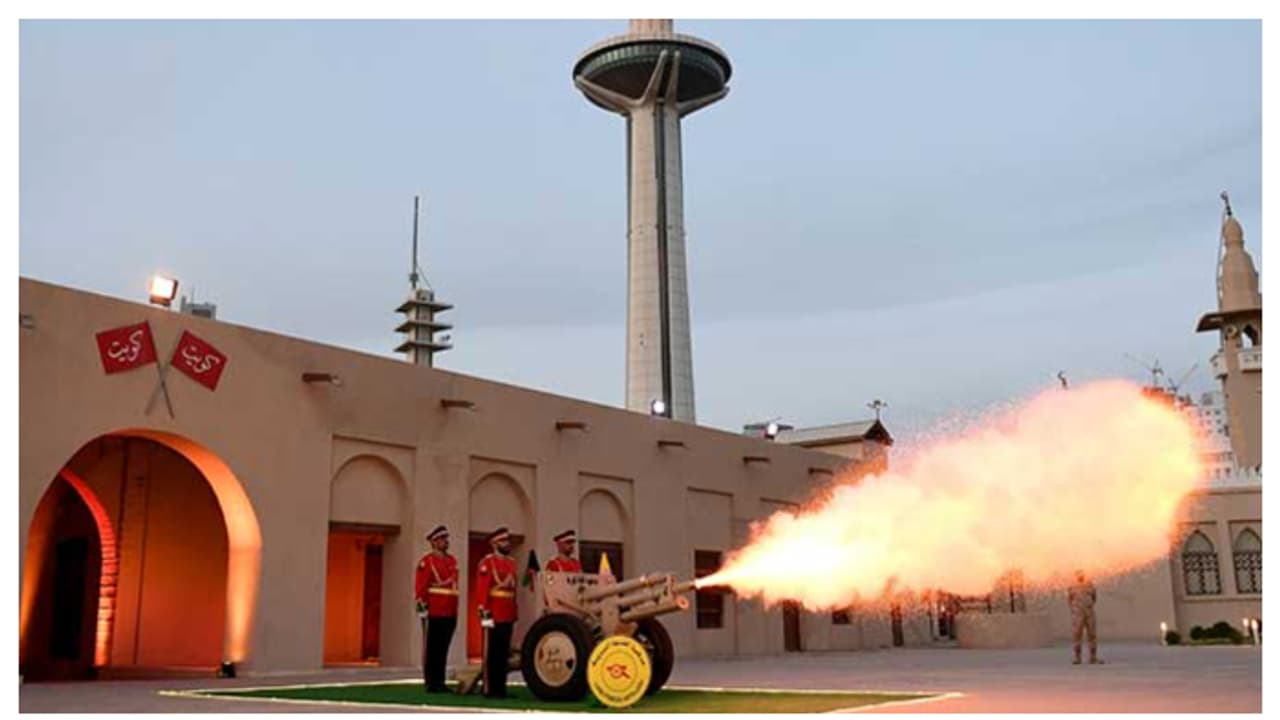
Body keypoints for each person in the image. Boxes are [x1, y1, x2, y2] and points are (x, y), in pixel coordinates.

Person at [414, 525, 458, 692]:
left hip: (449, 610)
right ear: (434, 542)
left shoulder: (451, 561)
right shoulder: (427, 562)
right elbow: (421, 587)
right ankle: (431, 682)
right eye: (442, 540)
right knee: (432, 648)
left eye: (446, 539)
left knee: (443, 648)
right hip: (434, 610)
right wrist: (422, 606)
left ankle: (440, 681)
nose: (446, 542)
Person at [476, 527, 518, 698]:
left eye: (507, 541)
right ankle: (489, 688)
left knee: (503, 652)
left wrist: (514, 611)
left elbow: (514, 591)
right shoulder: (487, 563)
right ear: (494, 544)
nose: (507, 544)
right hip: (493, 612)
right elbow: (482, 589)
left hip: (507, 611)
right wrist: (483, 610)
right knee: (491, 652)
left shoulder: (512, 563)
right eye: (503, 541)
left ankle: (501, 688)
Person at [1067, 570, 1101, 665]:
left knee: (1092, 635)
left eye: (1082, 574)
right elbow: (1069, 600)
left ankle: (1093, 657)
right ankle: (1077, 658)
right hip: (1078, 614)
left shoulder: (1090, 585)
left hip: (1089, 612)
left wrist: (1089, 606)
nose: (1081, 576)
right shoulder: (1072, 586)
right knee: (1077, 635)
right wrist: (1075, 610)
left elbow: (1094, 598)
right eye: (1079, 574)